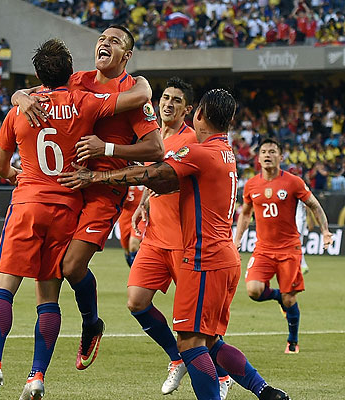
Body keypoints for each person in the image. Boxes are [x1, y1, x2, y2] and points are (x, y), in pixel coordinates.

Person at [0, 25, 163, 372]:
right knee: (22, 221)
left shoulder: (133, 91)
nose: (105, 43)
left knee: (70, 267)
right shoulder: (79, 81)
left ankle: (91, 324)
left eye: (114, 41)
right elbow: (39, 89)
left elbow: (156, 149)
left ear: (126, 56)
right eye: (102, 38)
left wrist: (108, 148)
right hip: (72, 184)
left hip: (105, 186)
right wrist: (20, 97)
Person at [58, 89, 290, 400]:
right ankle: (266, 391)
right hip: (223, 258)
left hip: (203, 259)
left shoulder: (197, 152)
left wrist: (95, 178)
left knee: (190, 345)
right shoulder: (225, 151)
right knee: (207, 342)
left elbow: (150, 174)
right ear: (230, 122)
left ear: (198, 115)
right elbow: (161, 180)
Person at [127, 77, 233, 398]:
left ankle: (223, 375)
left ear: (190, 111)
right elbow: (157, 179)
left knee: (197, 328)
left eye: (176, 100)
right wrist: (143, 205)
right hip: (155, 238)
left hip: (184, 242)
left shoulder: (192, 142)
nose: (168, 104)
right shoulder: (154, 138)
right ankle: (176, 358)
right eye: (165, 98)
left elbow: (169, 177)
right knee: (136, 302)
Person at [233, 138, 333, 354]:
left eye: (272, 151)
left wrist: (325, 231)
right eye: (264, 152)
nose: (268, 155)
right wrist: (237, 238)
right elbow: (246, 214)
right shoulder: (251, 185)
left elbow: (314, 205)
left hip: (289, 249)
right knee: (254, 290)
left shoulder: (293, 182)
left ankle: (292, 340)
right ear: (258, 158)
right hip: (263, 249)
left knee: (290, 299)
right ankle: (277, 296)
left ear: (281, 157)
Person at [117, 184, 145, 267]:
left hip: (141, 214)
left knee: (133, 245)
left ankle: (140, 276)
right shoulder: (126, 174)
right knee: (127, 249)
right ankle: (134, 273)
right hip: (125, 215)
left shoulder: (146, 174)